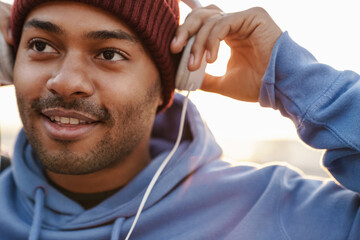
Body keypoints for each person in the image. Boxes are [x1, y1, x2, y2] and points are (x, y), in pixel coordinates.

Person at [0, 0, 359, 239]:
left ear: (168, 83)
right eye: (41, 46)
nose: (65, 82)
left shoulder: (279, 211)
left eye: (109, 53)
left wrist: (298, 80)